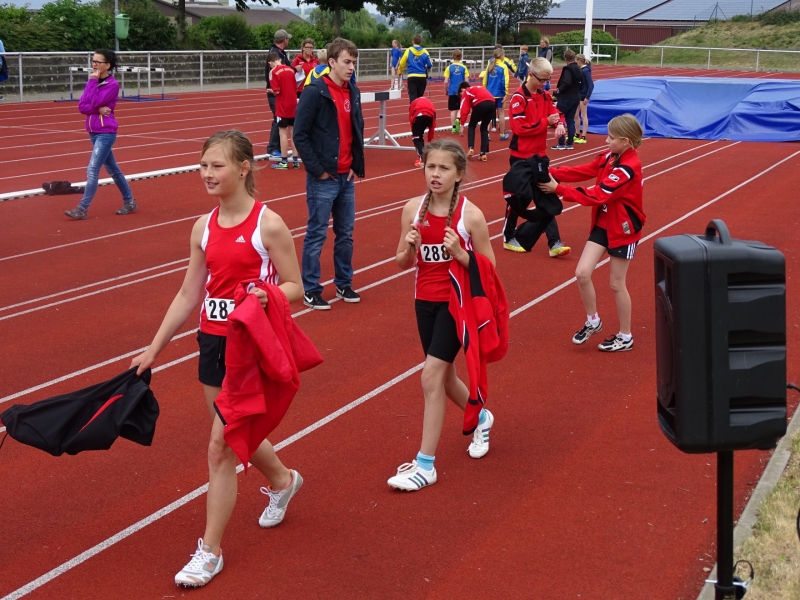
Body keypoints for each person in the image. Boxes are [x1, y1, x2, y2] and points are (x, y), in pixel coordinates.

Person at [130, 130, 305, 587]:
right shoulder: (202, 227)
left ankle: (209, 553)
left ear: (244, 168)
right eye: (203, 165)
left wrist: (265, 297)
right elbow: (189, 293)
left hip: (250, 348)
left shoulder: (268, 224)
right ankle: (283, 480)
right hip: (212, 342)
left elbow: (297, 286)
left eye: (216, 165)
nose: (207, 174)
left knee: (220, 446)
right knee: (231, 430)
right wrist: (153, 349)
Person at [389, 138, 497, 491]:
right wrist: (409, 249)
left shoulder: (470, 216)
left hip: (457, 305)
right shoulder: (412, 209)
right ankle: (481, 416)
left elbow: (490, 268)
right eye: (430, 166)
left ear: (459, 174)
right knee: (446, 378)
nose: (435, 174)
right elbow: (401, 262)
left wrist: (461, 254)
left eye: (443, 168)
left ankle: (425, 465)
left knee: (430, 377)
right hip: (424, 302)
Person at [538, 114, 645, 352]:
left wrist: (559, 190)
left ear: (626, 141)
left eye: (611, 137)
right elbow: (585, 170)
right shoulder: (610, 156)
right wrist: (551, 172)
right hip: (604, 224)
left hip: (623, 230)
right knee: (582, 273)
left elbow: (599, 194)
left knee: (616, 284)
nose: (606, 140)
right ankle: (593, 321)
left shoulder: (628, 168)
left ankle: (625, 336)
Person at [294, 38, 365, 311]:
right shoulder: (315, 92)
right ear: (332, 62)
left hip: (346, 177)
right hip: (324, 178)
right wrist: (318, 170)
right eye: (347, 62)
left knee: (345, 234)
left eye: (353, 62)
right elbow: (300, 134)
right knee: (316, 234)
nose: (351, 67)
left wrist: (356, 164)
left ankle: (344, 283)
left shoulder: (353, 90)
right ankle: (311, 289)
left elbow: (357, 127)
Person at [503, 57, 570, 258]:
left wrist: (560, 124)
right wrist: (546, 122)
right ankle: (508, 236)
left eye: (548, 79)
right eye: (542, 79)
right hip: (521, 158)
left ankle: (554, 242)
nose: (545, 83)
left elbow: (557, 113)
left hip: (540, 157)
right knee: (519, 199)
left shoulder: (545, 96)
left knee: (547, 197)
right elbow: (520, 128)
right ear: (530, 75)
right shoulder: (518, 98)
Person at [65, 49, 136, 220]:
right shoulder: (93, 81)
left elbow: (95, 101)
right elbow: (82, 106)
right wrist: (97, 109)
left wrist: (93, 86)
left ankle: (82, 208)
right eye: (93, 61)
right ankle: (130, 201)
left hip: (106, 132)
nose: (94, 64)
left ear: (107, 65)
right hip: (93, 131)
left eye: (98, 62)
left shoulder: (112, 85)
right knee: (113, 170)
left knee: (92, 170)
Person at [267, 52, 300, 170]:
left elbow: (277, 91)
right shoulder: (290, 70)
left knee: (282, 132)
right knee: (293, 132)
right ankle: (295, 160)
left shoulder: (274, 72)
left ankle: (284, 161)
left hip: (282, 105)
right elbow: (295, 86)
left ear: (270, 63)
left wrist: (271, 91)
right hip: (293, 104)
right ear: (279, 59)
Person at [265, 29, 292, 157]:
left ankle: (279, 148)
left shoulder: (279, 52)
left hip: (279, 91)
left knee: (280, 120)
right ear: (284, 40)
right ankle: (273, 148)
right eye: (288, 39)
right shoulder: (276, 54)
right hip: (276, 92)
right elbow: (279, 72)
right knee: (278, 119)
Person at [552, 49, 582, 151]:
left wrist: (559, 90)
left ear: (566, 58)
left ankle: (561, 142)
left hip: (566, 97)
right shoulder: (579, 68)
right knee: (570, 120)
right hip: (576, 96)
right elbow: (582, 83)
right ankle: (569, 143)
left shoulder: (568, 69)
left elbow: (567, 82)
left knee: (560, 118)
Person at [457, 81, 494, 162]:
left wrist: (462, 125)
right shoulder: (478, 89)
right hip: (492, 104)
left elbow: (464, 109)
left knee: (471, 126)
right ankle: (483, 154)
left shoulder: (466, 92)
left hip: (480, 103)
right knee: (484, 128)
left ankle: (471, 148)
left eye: (460, 95)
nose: (461, 97)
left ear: (462, 90)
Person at [482, 48, 510, 141]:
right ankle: (502, 134)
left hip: (489, 94)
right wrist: (506, 94)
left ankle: (487, 135)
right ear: (501, 56)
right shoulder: (503, 67)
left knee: (488, 115)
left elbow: (485, 80)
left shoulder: (490, 65)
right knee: (501, 114)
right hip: (499, 94)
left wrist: (484, 90)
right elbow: (505, 81)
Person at [397, 34, 432, 103]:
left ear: (413, 41)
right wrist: (425, 67)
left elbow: (401, 63)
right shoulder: (425, 51)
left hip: (412, 76)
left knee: (413, 97)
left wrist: (400, 71)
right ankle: (419, 109)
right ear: (420, 41)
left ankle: (413, 109)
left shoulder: (408, 50)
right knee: (420, 98)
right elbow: (430, 65)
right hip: (422, 77)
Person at [443, 49, 469, 133]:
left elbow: (446, 82)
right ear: (461, 57)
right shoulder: (464, 67)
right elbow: (466, 81)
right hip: (461, 91)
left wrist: (446, 90)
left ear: (453, 57)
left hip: (452, 90)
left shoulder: (449, 67)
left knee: (453, 110)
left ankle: (454, 127)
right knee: (461, 108)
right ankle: (458, 119)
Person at [409, 95, 436, 167]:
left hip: (419, 114)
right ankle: (424, 157)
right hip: (430, 115)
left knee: (416, 137)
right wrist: (430, 138)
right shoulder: (429, 102)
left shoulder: (413, 103)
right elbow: (433, 122)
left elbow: (411, 117)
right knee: (419, 135)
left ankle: (422, 160)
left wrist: (413, 132)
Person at [573, 54, 594, 144]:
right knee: (575, 115)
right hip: (578, 95)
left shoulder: (585, 71)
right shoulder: (581, 70)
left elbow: (591, 85)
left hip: (583, 96)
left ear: (579, 61)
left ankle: (584, 136)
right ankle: (577, 133)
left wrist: (587, 97)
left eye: (575, 61)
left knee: (583, 115)